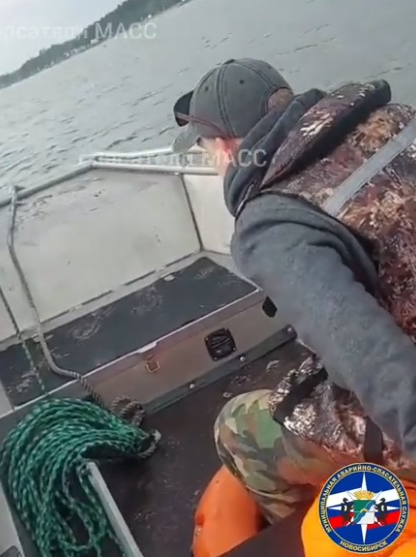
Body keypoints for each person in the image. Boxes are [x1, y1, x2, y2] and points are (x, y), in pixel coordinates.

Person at [172, 58, 416, 525]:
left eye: (205, 149)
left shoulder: (272, 224)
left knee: (238, 428)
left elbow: (379, 365)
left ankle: (308, 529)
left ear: (227, 148)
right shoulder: (397, 119)